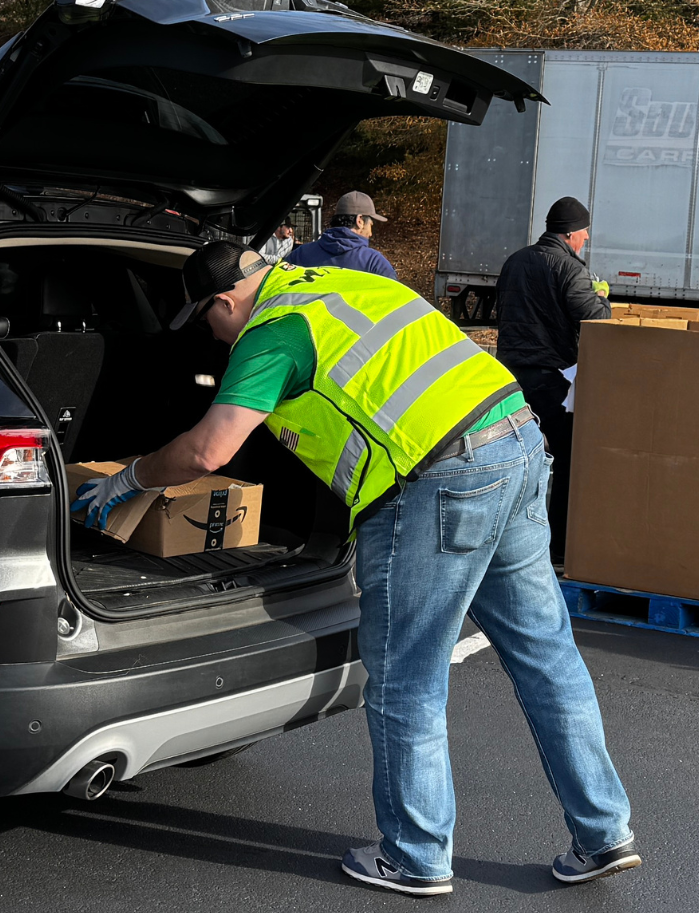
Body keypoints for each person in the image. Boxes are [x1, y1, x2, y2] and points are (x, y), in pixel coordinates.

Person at [73, 242, 637, 896]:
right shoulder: (337, 283)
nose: (214, 335)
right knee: (546, 652)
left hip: (437, 478)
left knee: (406, 673)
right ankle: (604, 831)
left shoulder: (274, 332)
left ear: (223, 302)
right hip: (514, 440)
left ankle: (416, 856)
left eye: (208, 321)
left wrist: (127, 479)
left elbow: (209, 448)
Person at [493, 197, 611, 560]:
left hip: (509, 377)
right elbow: (596, 320)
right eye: (585, 232)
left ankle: (501, 544)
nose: (587, 238)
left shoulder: (515, 261)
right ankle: (558, 549)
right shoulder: (572, 270)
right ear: (571, 234)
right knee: (568, 461)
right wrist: (602, 296)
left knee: (512, 461)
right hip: (552, 379)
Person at [286, 190, 397, 276]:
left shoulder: (300, 254)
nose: (371, 233)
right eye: (371, 225)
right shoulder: (374, 263)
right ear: (360, 221)